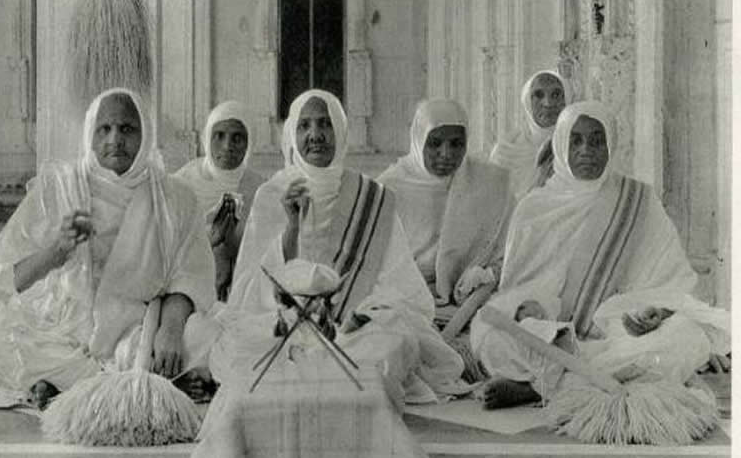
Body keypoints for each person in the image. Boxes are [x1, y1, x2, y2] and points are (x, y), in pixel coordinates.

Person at [0, 88, 219, 409]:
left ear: (146, 135)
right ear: (90, 133)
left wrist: (169, 329)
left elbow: (190, 276)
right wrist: (56, 251)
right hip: (60, 328)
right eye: (105, 129)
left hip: (136, 327)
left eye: (127, 129)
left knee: (209, 338)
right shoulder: (58, 187)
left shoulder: (175, 198)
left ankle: (69, 387)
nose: (115, 139)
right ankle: (137, 385)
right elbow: (9, 276)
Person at [212, 89, 468, 404]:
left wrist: (365, 311)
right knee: (230, 343)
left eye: (325, 124)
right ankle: (331, 377)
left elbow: (402, 287)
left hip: (354, 326)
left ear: (341, 130)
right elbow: (251, 294)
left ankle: (320, 376)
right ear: (293, 134)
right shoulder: (272, 194)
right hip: (287, 320)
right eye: (305, 126)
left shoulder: (371, 196)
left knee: (395, 338)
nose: (316, 135)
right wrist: (291, 228)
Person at [470, 101, 731, 409]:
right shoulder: (534, 207)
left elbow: (670, 283)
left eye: (597, 140)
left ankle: (541, 386)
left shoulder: (637, 201)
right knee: (488, 333)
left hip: (617, 333)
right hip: (551, 329)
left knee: (686, 337)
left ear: (611, 145)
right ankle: (584, 378)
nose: (586, 150)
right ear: (560, 144)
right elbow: (517, 287)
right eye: (576, 140)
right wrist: (533, 308)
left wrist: (650, 312)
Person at [378, 99, 513, 319]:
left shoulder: (490, 183)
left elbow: (510, 251)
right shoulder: (389, 189)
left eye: (456, 144)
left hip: (473, 298)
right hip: (402, 298)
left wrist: (486, 275)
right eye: (435, 143)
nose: (446, 153)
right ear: (418, 140)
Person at [174, 100, 264, 301]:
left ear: (250, 143)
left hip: (246, 291)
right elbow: (167, 250)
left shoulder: (260, 188)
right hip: (188, 288)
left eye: (237, 138)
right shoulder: (181, 184)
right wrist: (210, 240)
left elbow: (266, 252)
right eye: (219, 136)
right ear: (207, 138)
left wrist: (235, 243)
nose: (227, 146)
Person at [489, 69, 569, 199]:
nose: (548, 103)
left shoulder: (576, 146)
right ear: (527, 101)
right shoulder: (505, 151)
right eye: (538, 95)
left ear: (567, 100)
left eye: (556, 94)